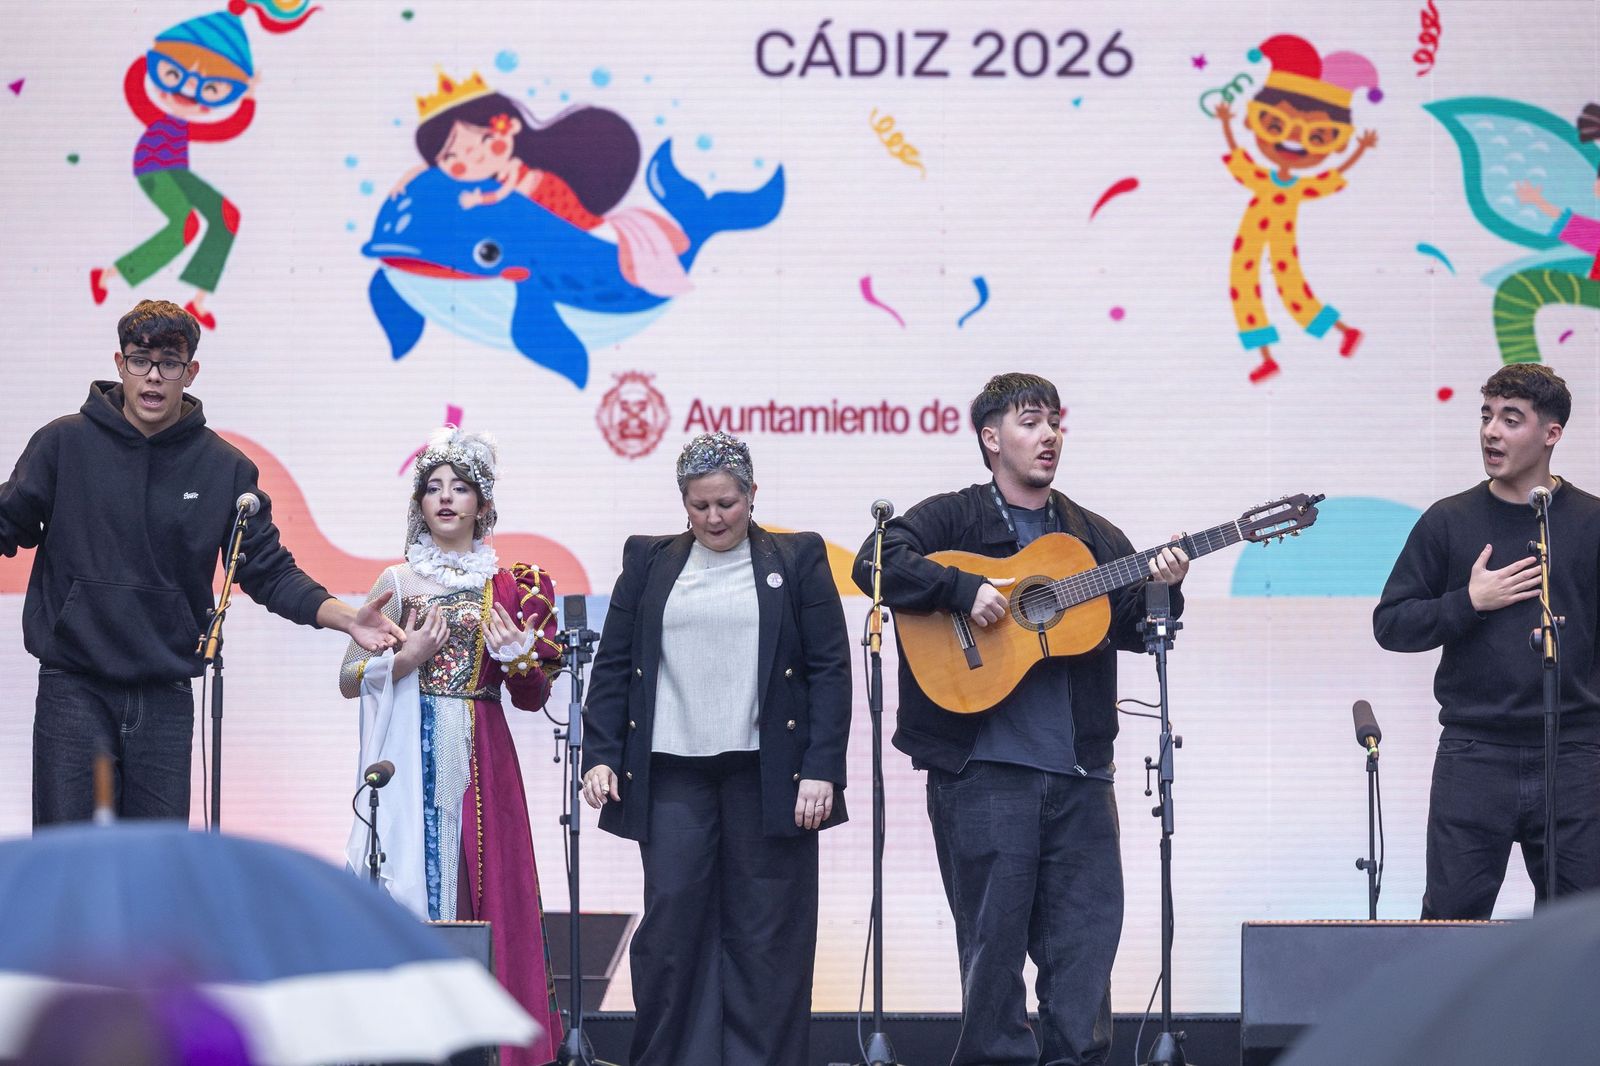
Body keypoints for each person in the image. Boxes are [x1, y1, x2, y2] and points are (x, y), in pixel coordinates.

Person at [853, 373, 1189, 1066]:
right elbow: (874, 561)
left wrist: (1164, 589)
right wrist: (962, 588)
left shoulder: (1092, 536)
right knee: (992, 957)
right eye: (1031, 422)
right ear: (990, 437)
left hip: (1080, 775)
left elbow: (1130, 625)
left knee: (1085, 954)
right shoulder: (954, 516)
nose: (1049, 436)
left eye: (1055, 423)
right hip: (983, 774)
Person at [0, 299, 404, 827]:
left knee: (160, 869)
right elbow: (9, 523)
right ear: (119, 364)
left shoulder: (224, 468)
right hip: (73, 686)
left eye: (169, 363)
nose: (153, 376)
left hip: (166, 692)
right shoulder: (62, 444)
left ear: (190, 372)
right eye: (140, 361)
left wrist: (347, 617)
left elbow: (267, 569)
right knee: (71, 861)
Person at [580, 432, 851, 1066]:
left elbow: (830, 670)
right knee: (673, 928)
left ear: (752, 495)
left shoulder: (800, 556)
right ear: (683, 502)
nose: (714, 518)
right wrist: (599, 753)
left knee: (768, 934)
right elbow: (614, 665)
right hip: (673, 772)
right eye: (699, 506)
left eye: (727, 503)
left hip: (768, 773)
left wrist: (821, 769)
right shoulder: (649, 561)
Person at [339, 427, 564, 1066]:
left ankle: (490, 1045)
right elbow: (350, 677)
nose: (445, 499)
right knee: (414, 873)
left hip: (481, 748)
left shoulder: (513, 585)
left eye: (459, 488)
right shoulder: (398, 579)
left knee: (487, 879)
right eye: (432, 488)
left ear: (482, 505)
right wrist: (406, 659)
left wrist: (521, 662)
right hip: (409, 753)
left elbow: (530, 696)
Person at [1374, 364, 1600, 918]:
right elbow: (1392, 624)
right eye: (1486, 416)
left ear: (1552, 433)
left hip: (1575, 755)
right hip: (1475, 754)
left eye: (1510, 419)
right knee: (1452, 925)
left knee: (1578, 935)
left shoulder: (1592, 522)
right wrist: (1468, 602)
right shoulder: (1449, 521)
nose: (1490, 432)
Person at [88, 2, 316, 330]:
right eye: (174, 74)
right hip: (152, 168)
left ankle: (198, 301)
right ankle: (110, 276)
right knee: (186, 226)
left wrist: (249, 96)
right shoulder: (157, 116)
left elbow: (229, 127)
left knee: (227, 216)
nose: (188, 92)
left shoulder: (188, 126)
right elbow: (134, 87)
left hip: (177, 172)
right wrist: (147, 56)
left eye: (209, 89)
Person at [389, 70, 691, 296]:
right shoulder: (490, 175)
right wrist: (407, 177)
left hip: (561, 212)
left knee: (595, 238)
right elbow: (432, 171)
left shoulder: (511, 173)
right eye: (452, 156)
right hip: (542, 220)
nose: (474, 157)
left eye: (484, 140)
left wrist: (477, 201)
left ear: (511, 128)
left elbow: (504, 195)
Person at [1213, 33, 1380, 382]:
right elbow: (1238, 158)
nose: (1292, 140)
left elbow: (1334, 175)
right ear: (1254, 121)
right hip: (1249, 248)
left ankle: (1344, 332)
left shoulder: (1298, 186)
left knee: (1295, 294)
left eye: (1318, 136)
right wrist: (1227, 124)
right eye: (1275, 125)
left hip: (1281, 247)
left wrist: (1361, 150)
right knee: (1244, 292)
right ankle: (1266, 357)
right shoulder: (1262, 177)